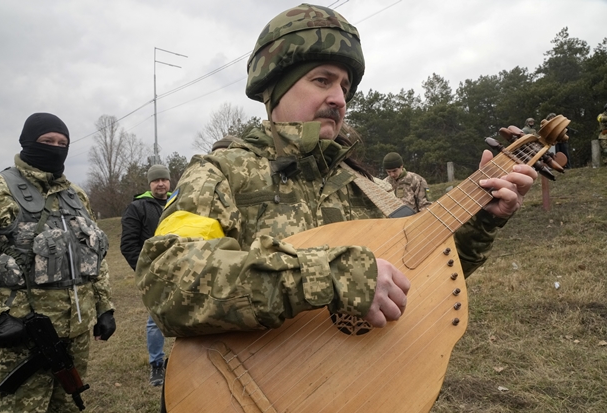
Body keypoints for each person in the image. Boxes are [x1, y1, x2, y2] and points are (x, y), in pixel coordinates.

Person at [135, 4, 537, 338]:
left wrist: (481, 221)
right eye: (322, 80)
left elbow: (420, 279)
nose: (338, 99)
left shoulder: (369, 186)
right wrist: (329, 276)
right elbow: (167, 281)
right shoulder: (220, 172)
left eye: (344, 86)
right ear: (274, 87)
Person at [0, 113, 116, 412]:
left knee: (67, 408)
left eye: (63, 143)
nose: (56, 147)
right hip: (21, 335)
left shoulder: (76, 195)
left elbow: (96, 255)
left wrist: (104, 307)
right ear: (27, 142)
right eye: (47, 141)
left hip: (75, 335)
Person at [120, 165, 171, 386]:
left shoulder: (179, 202)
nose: (161, 183)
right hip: (154, 274)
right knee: (155, 321)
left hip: (184, 270)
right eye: (156, 180)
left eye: (164, 179)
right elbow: (128, 244)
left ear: (170, 182)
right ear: (149, 184)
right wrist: (144, 271)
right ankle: (157, 365)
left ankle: (186, 360)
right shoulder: (137, 207)